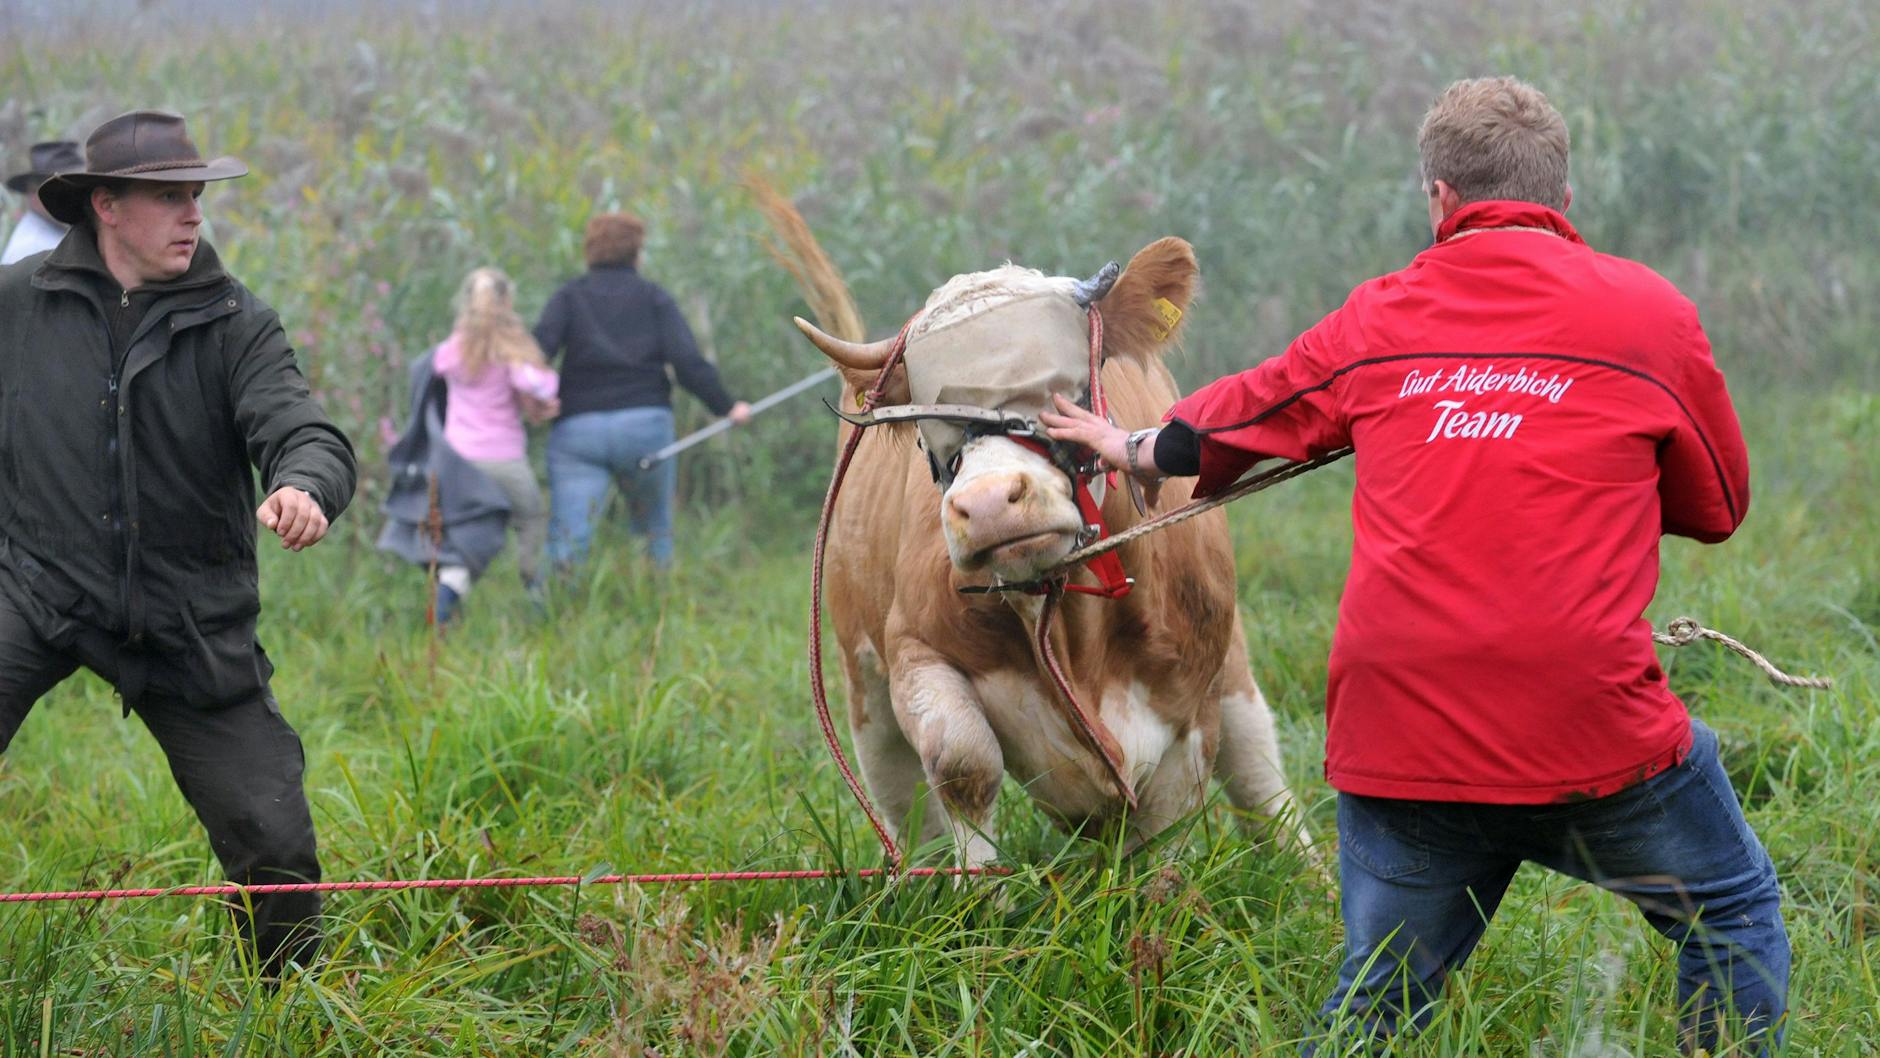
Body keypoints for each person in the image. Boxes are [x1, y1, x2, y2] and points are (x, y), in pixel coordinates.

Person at [1042, 77, 1786, 1054]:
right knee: (1730, 913)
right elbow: (1716, 509)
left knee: (1374, 1010)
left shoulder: (1376, 320)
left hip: (1402, 734)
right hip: (1591, 730)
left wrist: (1124, 444)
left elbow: (1229, 420)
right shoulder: (1650, 315)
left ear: (1437, 196)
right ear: (1561, 196)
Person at [0, 110, 356, 977]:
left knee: (273, 840)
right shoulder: (15, 307)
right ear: (106, 206)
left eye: (196, 195)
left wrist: (304, 484)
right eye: (169, 197)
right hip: (36, 588)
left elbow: (303, 427)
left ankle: (293, 1009)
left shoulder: (237, 322)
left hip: (188, 613)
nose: (193, 214)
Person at [532, 212, 751, 570]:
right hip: (644, 428)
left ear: (590, 251)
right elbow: (686, 362)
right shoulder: (653, 298)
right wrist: (726, 407)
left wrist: (534, 401)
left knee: (569, 537)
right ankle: (656, 602)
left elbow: (535, 354)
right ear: (637, 253)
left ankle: (552, 613)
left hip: (578, 431)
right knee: (654, 531)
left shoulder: (568, 297)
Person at [427, 266, 559, 621]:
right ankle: (536, 589)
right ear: (507, 301)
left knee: (466, 535)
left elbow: (435, 366)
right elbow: (537, 384)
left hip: (457, 461)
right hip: (502, 459)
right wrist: (544, 387)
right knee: (530, 519)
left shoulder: (453, 349)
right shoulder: (508, 349)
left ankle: (444, 606)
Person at [2, 139, 80, 264]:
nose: (71, 196)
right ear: (33, 192)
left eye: (75, 187)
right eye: (57, 189)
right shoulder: (30, 248)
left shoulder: (61, 230)